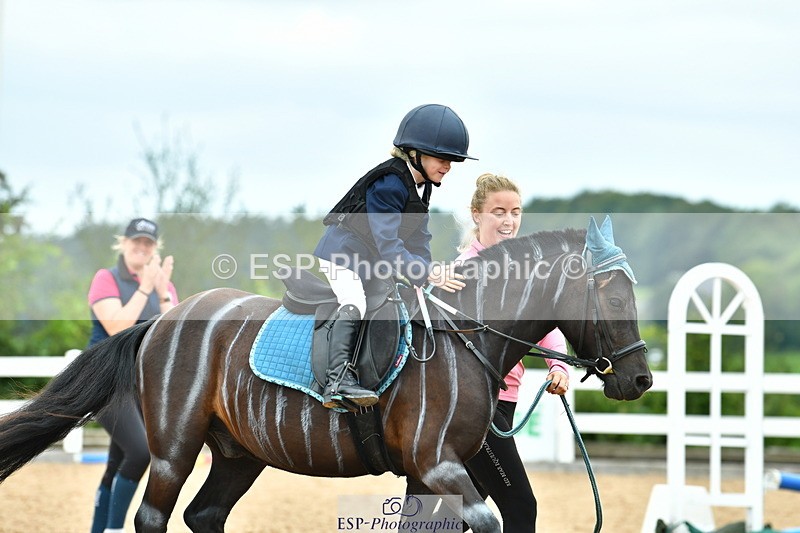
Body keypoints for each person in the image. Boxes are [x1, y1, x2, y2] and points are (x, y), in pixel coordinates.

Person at [314, 104, 474, 409]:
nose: (449, 166)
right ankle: (336, 382)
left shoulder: (421, 186)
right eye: (443, 159)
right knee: (355, 302)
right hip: (341, 254)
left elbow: (419, 240)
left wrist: (424, 274)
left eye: (452, 160)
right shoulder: (389, 184)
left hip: (368, 258)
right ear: (416, 153)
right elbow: (390, 248)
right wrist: (425, 273)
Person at [458, 173, 570, 531]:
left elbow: (546, 325)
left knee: (448, 516)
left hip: (505, 399)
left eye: (515, 212)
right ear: (477, 215)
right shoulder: (463, 271)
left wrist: (560, 366)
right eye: (498, 212)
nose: (509, 221)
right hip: (473, 404)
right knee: (521, 505)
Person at [86, 217, 178, 533]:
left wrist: (164, 292)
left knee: (116, 464)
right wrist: (145, 288)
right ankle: (114, 529)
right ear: (123, 243)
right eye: (136, 241)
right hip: (106, 383)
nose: (141, 247)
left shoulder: (162, 283)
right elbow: (117, 327)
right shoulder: (106, 278)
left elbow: (178, 338)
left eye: (148, 243)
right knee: (140, 452)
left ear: (155, 248)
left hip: (144, 386)